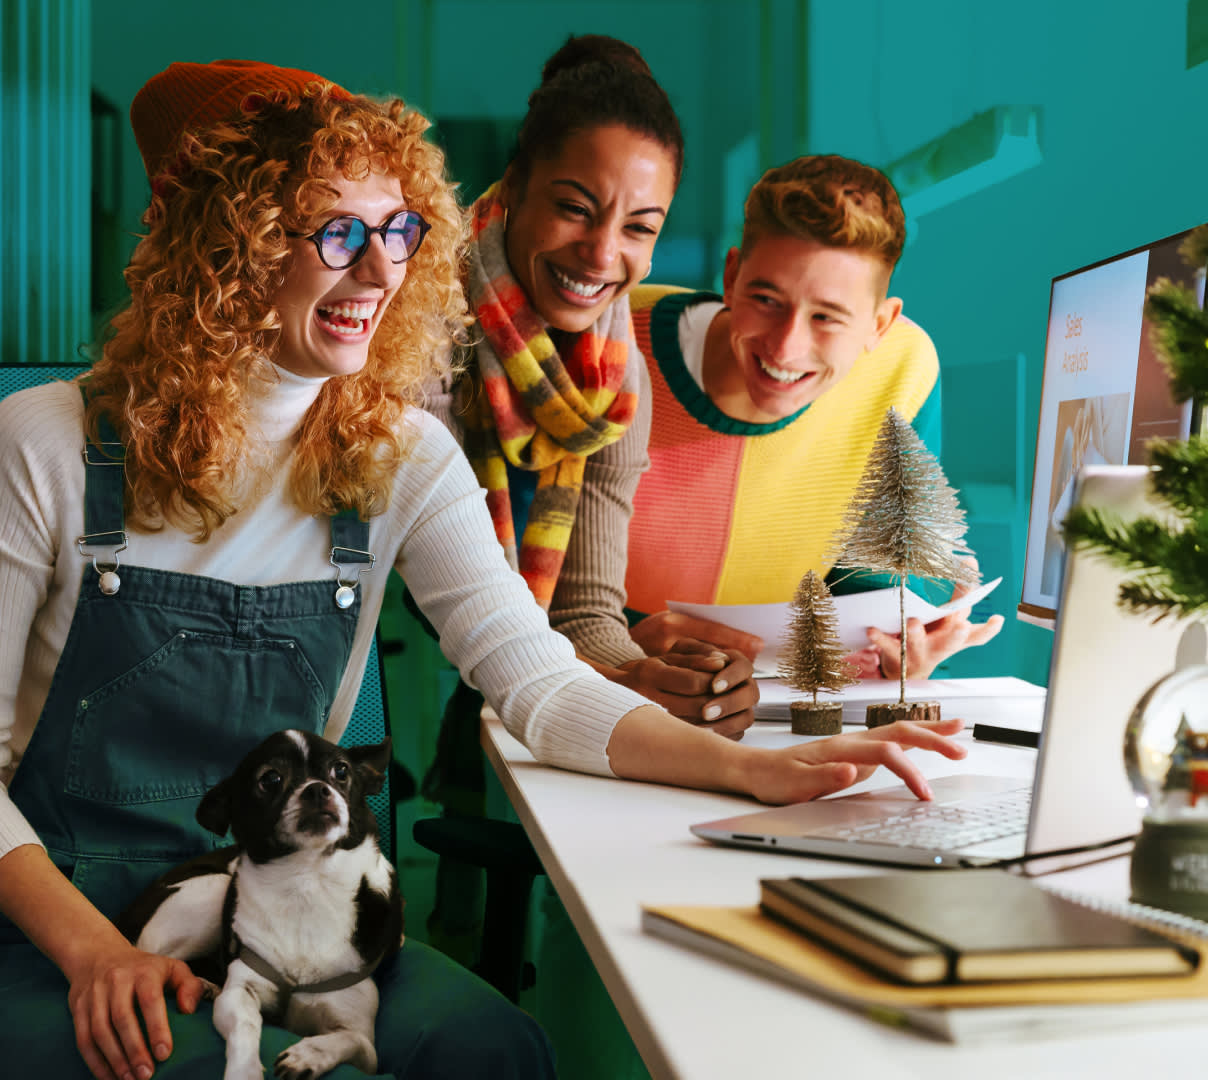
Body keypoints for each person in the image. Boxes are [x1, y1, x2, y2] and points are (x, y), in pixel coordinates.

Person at [0, 60, 967, 1080]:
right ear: (227, 246)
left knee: (495, 1050)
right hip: (59, 926)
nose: (378, 274)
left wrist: (754, 770)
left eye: (396, 233)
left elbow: (537, 678)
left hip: (290, 910)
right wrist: (93, 953)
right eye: (337, 233)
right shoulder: (47, 445)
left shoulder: (400, 455)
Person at [598, 154, 1004, 681]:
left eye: (826, 318)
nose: (787, 348)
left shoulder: (903, 371)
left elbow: (870, 599)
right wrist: (617, 651)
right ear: (731, 276)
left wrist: (903, 656)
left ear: (880, 324)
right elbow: (492, 590)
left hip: (765, 719)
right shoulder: (610, 340)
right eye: (766, 300)